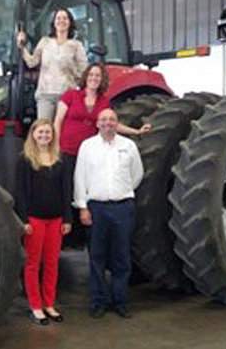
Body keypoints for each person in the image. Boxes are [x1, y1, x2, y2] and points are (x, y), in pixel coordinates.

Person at [53, 63, 150, 246]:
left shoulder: (103, 101)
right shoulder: (71, 95)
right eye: (91, 75)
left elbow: (111, 123)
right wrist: (56, 146)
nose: (94, 78)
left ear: (102, 80)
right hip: (68, 149)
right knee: (67, 190)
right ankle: (67, 233)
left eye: (98, 76)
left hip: (90, 153)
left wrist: (136, 132)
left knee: (88, 190)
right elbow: (58, 120)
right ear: (85, 77)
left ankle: (84, 234)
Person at [74, 108, 144, 319]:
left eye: (112, 119)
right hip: (97, 208)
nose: (108, 123)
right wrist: (83, 207)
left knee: (122, 257)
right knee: (96, 257)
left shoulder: (128, 146)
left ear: (117, 123)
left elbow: (137, 174)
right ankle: (98, 302)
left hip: (123, 208)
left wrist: (123, 192)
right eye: (103, 119)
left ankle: (120, 301)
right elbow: (80, 178)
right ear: (97, 123)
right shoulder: (87, 147)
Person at [15, 119, 73, 325]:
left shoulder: (60, 159)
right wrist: (23, 220)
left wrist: (67, 219)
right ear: (33, 134)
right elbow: (19, 193)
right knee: (32, 264)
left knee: (52, 263)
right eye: (40, 132)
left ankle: (49, 304)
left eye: (47, 133)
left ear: (52, 135)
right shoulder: (25, 160)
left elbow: (67, 191)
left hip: (56, 220)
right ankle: (36, 306)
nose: (44, 136)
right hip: (34, 220)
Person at [16, 7, 88, 120]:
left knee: (63, 130)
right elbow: (32, 62)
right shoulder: (45, 42)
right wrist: (21, 46)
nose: (61, 21)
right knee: (44, 128)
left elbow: (83, 69)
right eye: (58, 18)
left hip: (67, 95)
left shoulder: (76, 45)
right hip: (45, 94)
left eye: (65, 18)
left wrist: (77, 85)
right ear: (54, 23)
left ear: (70, 23)